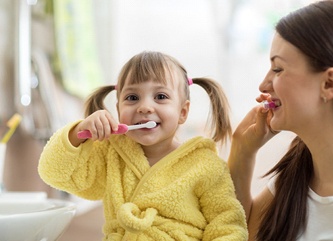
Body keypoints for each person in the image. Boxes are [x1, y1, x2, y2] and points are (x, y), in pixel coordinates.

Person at [38, 51, 248, 240]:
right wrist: (77, 133)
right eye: (132, 97)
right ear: (119, 109)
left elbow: (227, 225)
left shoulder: (205, 165)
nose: (145, 107)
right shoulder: (111, 154)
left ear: (183, 112)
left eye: (160, 97)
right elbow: (54, 173)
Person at [227, 1, 333, 241]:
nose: (264, 86)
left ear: (328, 84)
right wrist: (242, 151)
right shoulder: (294, 177)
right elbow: (236, 233)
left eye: (277, 69)